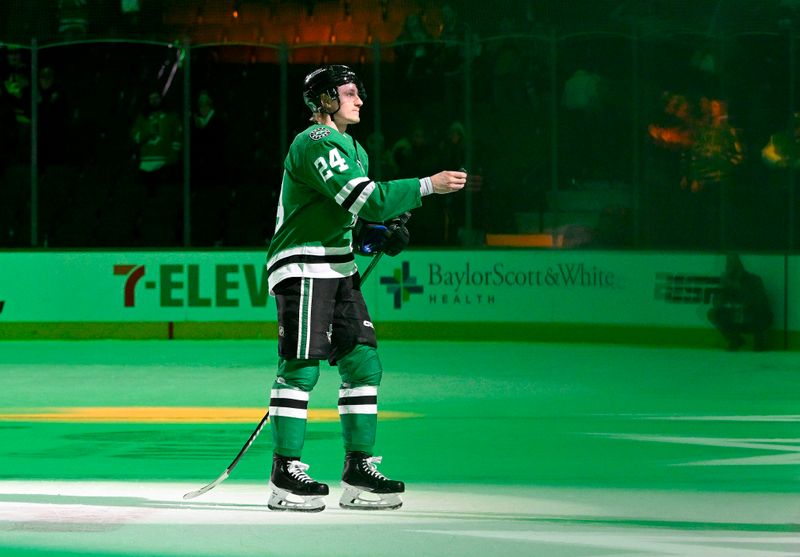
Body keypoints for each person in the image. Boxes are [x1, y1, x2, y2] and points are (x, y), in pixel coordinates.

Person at [264, 65, 465, 512]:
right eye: (350, 93)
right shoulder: (315, 142)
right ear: (326, 101)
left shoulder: (353, 148)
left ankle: (358, 471)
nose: (360, 100)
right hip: (304, 265)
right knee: (301, 369)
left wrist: (375, 236)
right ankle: (284, 474)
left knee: (363, 364)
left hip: (339, 267)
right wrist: (426, 186)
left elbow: (349, 214)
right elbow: (365, 198)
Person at [707, 254, 773, 351]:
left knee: (761, 313)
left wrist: (740, 287)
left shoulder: (754, 280)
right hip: (736, 318)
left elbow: (758, 301)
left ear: (741, 267)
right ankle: (735, 339)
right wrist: (723, 291)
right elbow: (717, 304)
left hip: (753, 317)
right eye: (728, 267)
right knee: (713, 313)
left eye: (733, 267)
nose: (730, 270)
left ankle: (759, 340)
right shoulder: (726, 282)